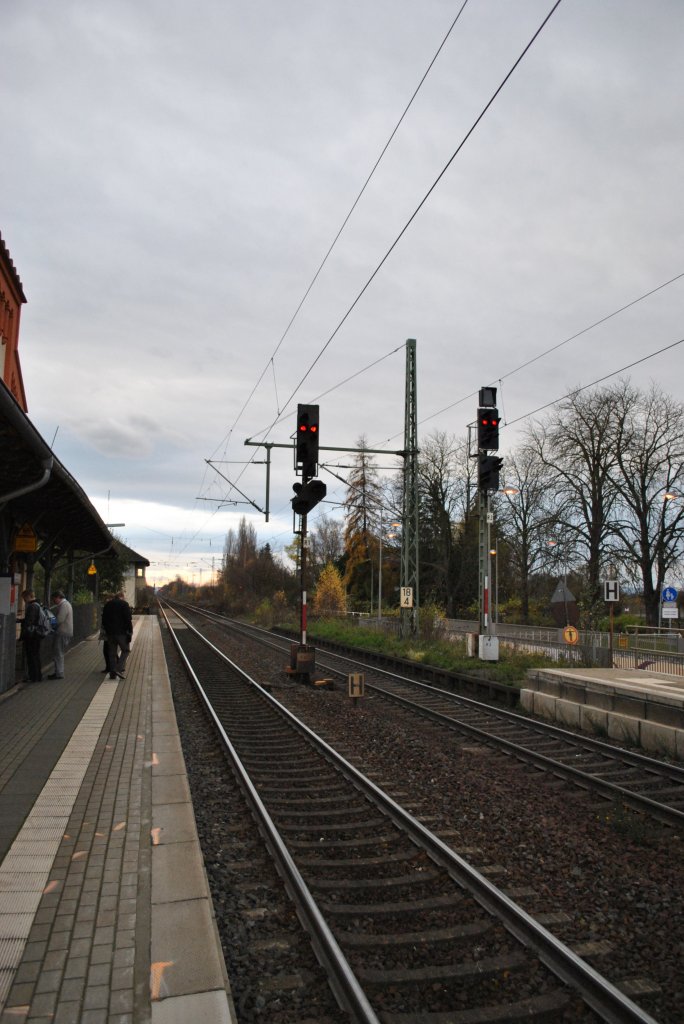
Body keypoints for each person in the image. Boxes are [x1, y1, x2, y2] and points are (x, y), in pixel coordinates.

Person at [101, 590, 133, 679]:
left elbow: (103, 619)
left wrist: (108, 630)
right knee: (126, 650)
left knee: (112, 653)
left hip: (110, 633)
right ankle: (118, 669)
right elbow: (128, 619)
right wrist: (130, 631)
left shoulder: (107, 604)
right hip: (122, 633)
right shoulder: (124, 604)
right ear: (121, 597)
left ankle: (112, 673)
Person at [49, 589, 73, 679]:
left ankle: (59, 673)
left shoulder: (64, 605)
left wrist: (51, 623)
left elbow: (59, 619)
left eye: (54, 599)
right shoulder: (65, 604)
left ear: (59, 597)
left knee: (58, 652)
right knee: (58, 652)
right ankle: (58, 671)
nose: (53, 601)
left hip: (62, 632)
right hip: (65, 632)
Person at [20, 589, 44, 682]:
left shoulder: (32, 606)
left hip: (32, 636)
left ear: (28, 596)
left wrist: (23, 624)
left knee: (32, 656)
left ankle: (34, 676)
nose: (24, 600)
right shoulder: (38, 605)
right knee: (36, 655)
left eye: (24, 598)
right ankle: (37, 676)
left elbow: (30, 621)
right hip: (37, 634)